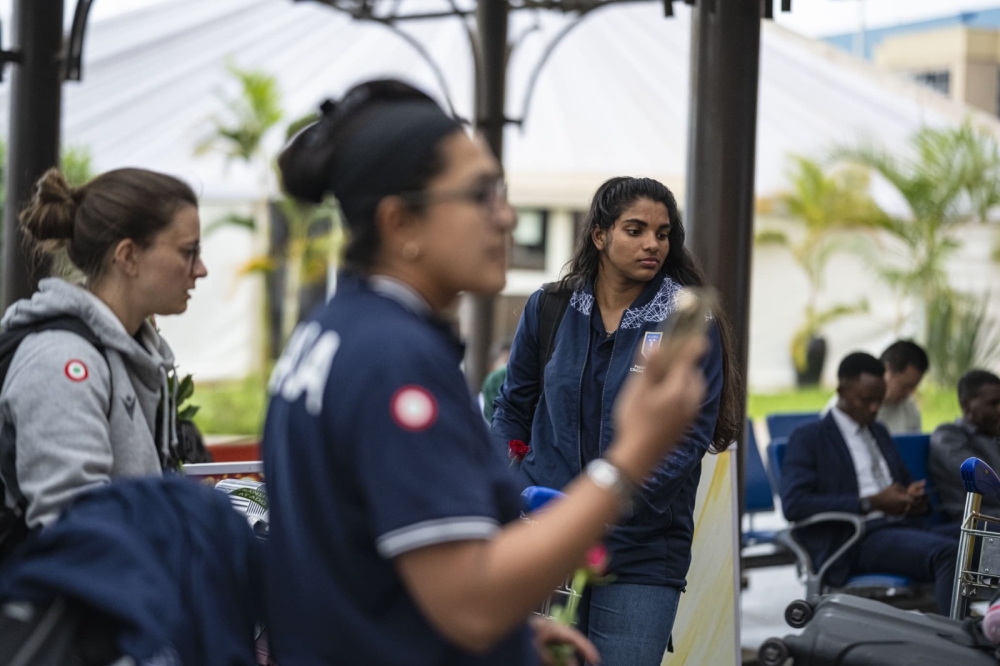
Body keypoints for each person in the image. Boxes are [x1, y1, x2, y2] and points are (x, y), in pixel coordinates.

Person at [262, 79, 709, 666]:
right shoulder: (396, 363)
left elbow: (377, 559)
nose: (507, 217)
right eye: (480, 196)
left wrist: (510, 634)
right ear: (401, 224)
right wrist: (630, 460)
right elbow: (471, 602)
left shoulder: (333, 330)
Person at [490, 176, 740, 665]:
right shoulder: (551, 307)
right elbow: (513, 408)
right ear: (599, 235)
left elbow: (685, 440)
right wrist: (508, 488)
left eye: (663, 233)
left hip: (641, 553)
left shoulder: (685, 322)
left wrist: (597, 511)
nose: (653, 243)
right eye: (636, 229)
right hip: (546, 536)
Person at [0, 167, 208, 551]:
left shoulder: (129, 351)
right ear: (128, 256)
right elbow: (77, 534)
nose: (201, 270)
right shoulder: (62, 362)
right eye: (188, 251)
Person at [781, 352, 958, 615]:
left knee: (981, 539)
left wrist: (912, 498)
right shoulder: (809, 437)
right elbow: (794, 504)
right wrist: (870, 503)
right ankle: (956, 643)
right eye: (866, 400)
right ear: (842, 390)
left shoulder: (878, 431)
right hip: (854, 539)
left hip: (899, 527)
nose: (875, 408)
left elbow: (903, 484)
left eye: (879, 399)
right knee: (949, 555)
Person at [928, 369, 1000, 520]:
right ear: (966, 405)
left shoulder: (993, 435)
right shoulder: (948, 436)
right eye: (993, 404)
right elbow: (984, 481)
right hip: (975, 520)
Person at [822, 339, 929, 435]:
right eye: (905, 386)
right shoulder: (846, 407)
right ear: (887, 371)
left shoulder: (909, 410)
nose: (909, 392)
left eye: (914, 387)